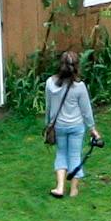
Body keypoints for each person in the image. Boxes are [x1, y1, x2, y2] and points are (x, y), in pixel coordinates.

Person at [43, 50, 98, 198]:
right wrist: (92, 129)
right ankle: (74, 190)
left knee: (61, 153)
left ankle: (60, 187)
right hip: (76, 127)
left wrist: (48, 124)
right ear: (77, 66)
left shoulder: (50, 83)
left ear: (60, 65)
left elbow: (48, 106)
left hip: (58, 126)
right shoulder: (79, 86)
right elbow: (86, 111)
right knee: (75, 156)